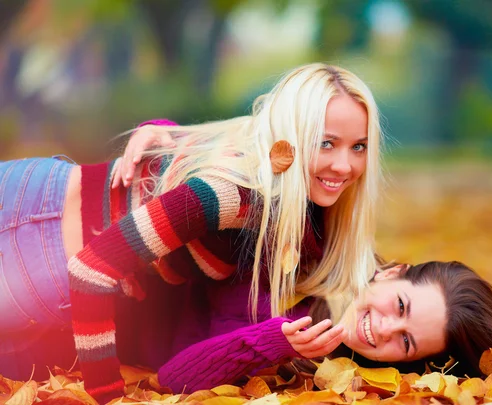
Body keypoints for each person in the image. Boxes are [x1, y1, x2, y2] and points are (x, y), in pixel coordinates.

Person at [0, 63, 382, 403]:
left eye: (359, 146)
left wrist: (159, 131)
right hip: (30, 234)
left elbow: (182, 160)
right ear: (291, 138)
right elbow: (91, 269)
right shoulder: (235, 196)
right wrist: (108, 397)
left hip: (37, 210)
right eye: (326, 143)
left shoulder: (276, 185)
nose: (344, 165)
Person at [155, 261, 492, 393]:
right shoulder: (310, 258)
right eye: (400, 305)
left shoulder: (321, 366)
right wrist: (164, 134)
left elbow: (173, 382)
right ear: (390, 273)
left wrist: (276, 342)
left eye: (406, 340)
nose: (384, 329)